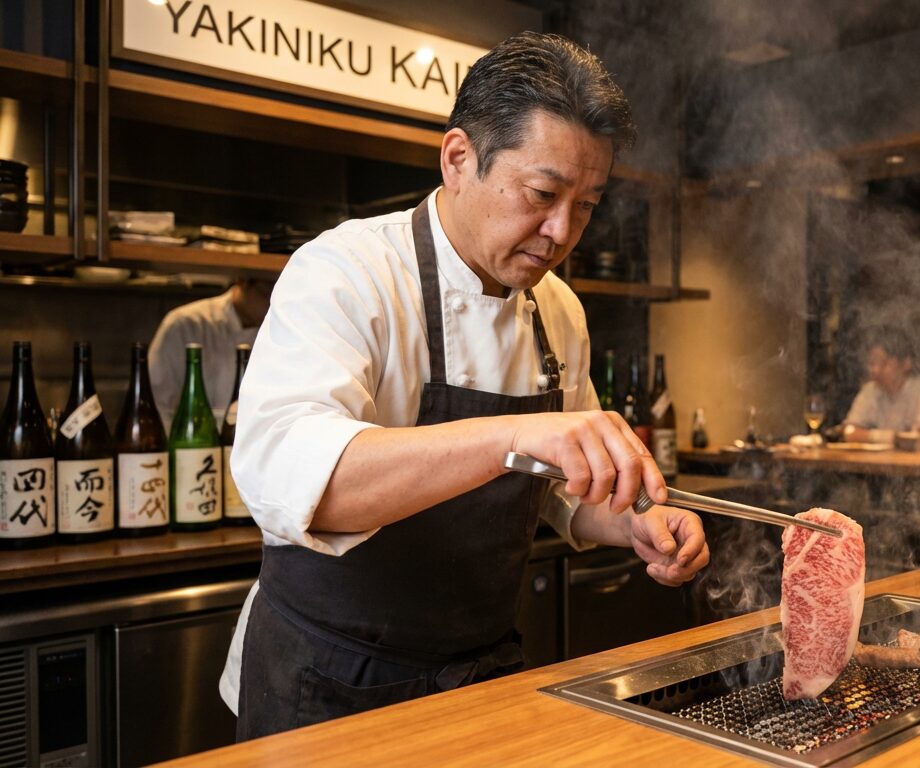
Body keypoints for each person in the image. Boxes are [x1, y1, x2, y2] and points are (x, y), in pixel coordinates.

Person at [220, 32, 709, 740]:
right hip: (325, 687)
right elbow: (297, 481)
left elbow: (566, 487)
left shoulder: (556, 311)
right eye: (542, 194)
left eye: (587, 205)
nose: (561, 231)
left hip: (479, 678)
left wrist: (635, 523)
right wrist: (513, 434)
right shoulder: (345, 272)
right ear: (458, 159)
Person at [148, 278, 272, 425]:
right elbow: (159, 402)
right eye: (267, 294)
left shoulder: (277, 332)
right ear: (243, 282)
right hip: (193, 441)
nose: (272, 305)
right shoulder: (186, 323)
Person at [842, 327, 920, 447]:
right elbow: (848, 431)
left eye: (884, 363)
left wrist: (867, 435)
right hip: (880, 464)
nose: (875, 370)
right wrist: (894, 438)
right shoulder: (870, 390)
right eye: (872, 363)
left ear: (906, 363)